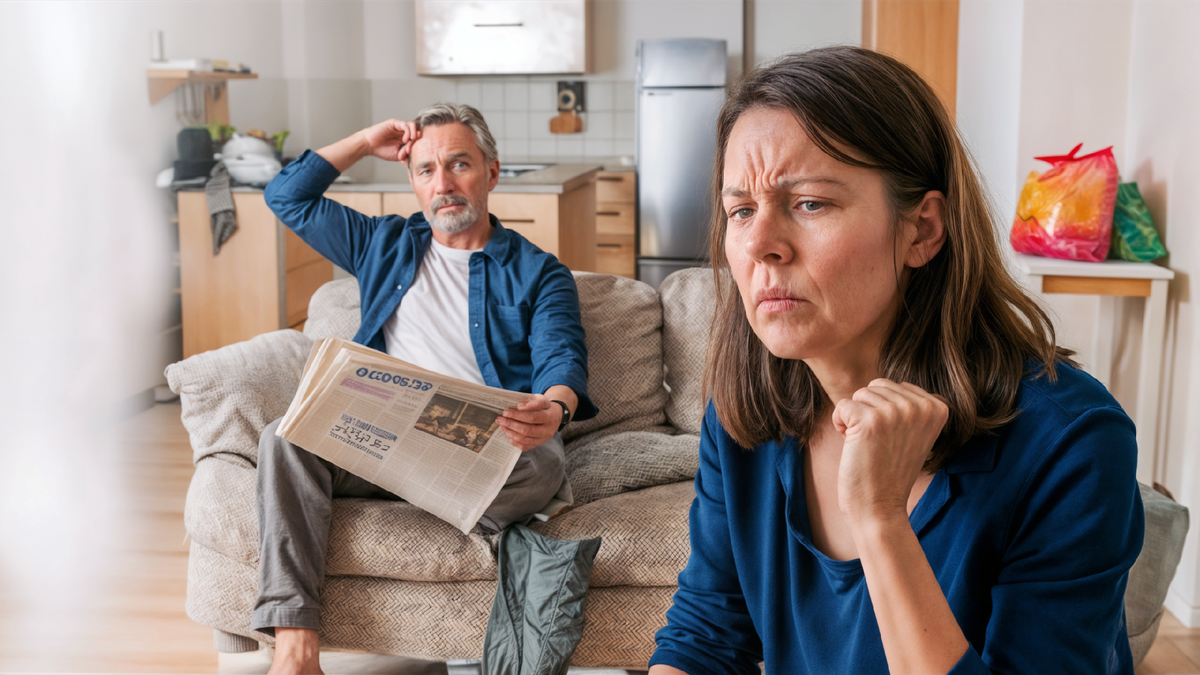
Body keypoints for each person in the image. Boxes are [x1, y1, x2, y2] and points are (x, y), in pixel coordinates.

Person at [648, 47, 1144, 675]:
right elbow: (707, 637)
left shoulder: (1070, 441)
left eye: (809, 203)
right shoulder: (746, 414)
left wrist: (881, 520)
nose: (760, 245)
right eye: (740, 210)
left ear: (922, 230)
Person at [255, 103, 598, 675]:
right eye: (425, 170)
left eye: (459, 165)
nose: (443, 184)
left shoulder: (539, 272)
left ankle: (437, 492)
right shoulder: (381, 243)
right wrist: (365, 140)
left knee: (542, 464)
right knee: (283, 436)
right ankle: (296, 653)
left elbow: (561, 357)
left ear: (490, 172)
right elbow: (286, 196)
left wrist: (555, 409)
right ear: (411, 182)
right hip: (380, 435)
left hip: (475, 445)